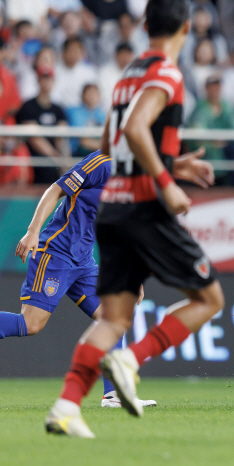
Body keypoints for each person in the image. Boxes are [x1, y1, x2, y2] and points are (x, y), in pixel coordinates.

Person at [45, 0, 224, 438]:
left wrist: (172, 163)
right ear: (187, 27)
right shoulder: (167, 73)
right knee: (210, 299)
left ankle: (66, 408)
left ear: (145, 25)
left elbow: (111, 140)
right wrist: (166, 181)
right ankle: (131, 359)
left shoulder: (127, 75)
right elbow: (136, 130)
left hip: (113, 209)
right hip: (145, 206)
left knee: (112, 319)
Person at [0, 150, 155, 409]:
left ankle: (114, 395)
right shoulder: (102, 163)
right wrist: (32, 231)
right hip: (56, 253)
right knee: (30, 324)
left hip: (83, 261)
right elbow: (55, 190)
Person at [15, 66, 70, 185]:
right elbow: (34, 138)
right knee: (47, 168)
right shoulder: (28, 106)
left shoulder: (58, 109)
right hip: (34, 155)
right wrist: (56, 157)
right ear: (38, 80)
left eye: (49, 79)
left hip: (55, 155)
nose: (46, 82)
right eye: (43, 79)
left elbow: (61, 136)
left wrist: (64, 158)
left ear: (53, 81)